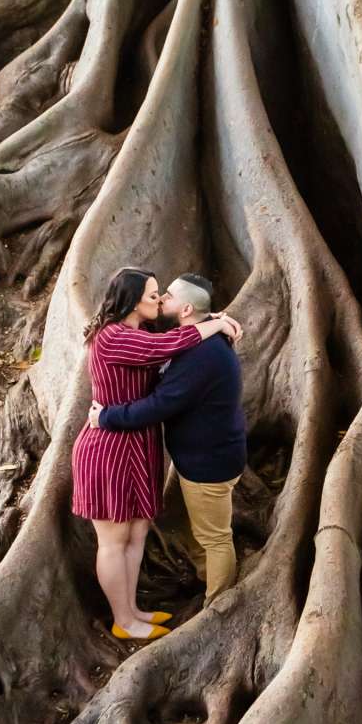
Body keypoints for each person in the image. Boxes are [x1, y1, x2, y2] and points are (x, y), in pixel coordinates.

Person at [71, 267, 242, 640]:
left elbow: (175, 338)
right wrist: (216, 323)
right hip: (109, 446)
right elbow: (166, 347)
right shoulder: (114, 337)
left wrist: (212, 319)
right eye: (153, 295)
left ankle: (132, 611)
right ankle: (123, 620)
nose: (159, 299)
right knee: (114, 542)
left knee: (135, 535)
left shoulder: (142, 331)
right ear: (133, 301)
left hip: (138, 446)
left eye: (161, 295)